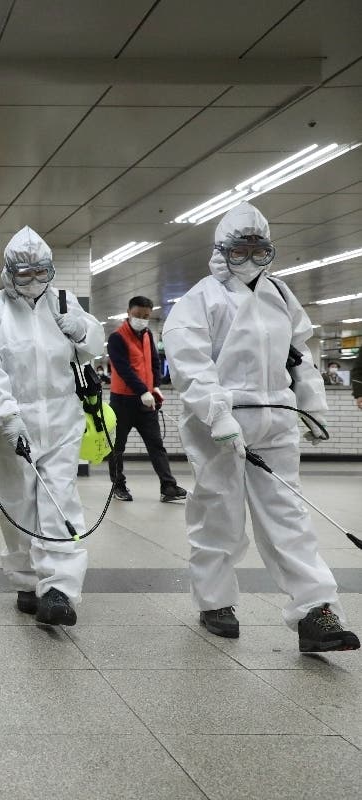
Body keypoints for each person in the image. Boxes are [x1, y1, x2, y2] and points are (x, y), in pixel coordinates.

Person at [163, 202, 358, 653]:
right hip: (220, 425)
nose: (249, 258)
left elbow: (299, 356)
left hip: (277, 419)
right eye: (240, 249)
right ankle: (215, 601)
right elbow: (190, 364)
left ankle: (315, 610)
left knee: (289, 516)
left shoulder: (281, 296)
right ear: (221, 250)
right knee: (219, 513)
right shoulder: (201, 299)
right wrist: (218, 414)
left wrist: (312, 408)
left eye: (259, 249)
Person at [0, 226, 104, 626]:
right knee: (19, 503)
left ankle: (59, 588)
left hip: (62, 419)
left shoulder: (63, 302)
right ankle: (27, 581)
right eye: (24, 274)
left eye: (41, 272)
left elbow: (94, 346)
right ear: (9, 273)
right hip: (14, 423)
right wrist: (7, 416)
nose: (33, 281)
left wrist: (83, 330)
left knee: (60, 499)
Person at [106, 296, 188, 503]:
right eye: (137, 315)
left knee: (156, 444)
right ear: (128, 312)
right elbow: (123, 369)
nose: (141, 319)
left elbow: (154, 362)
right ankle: (118, 486)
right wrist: (143, 391)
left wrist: (155, 386)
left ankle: (168, 486)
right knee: (117, 447)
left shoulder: (147, 334)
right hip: (122, 402)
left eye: (146, 316)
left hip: (146, 403)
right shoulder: (117, 338)